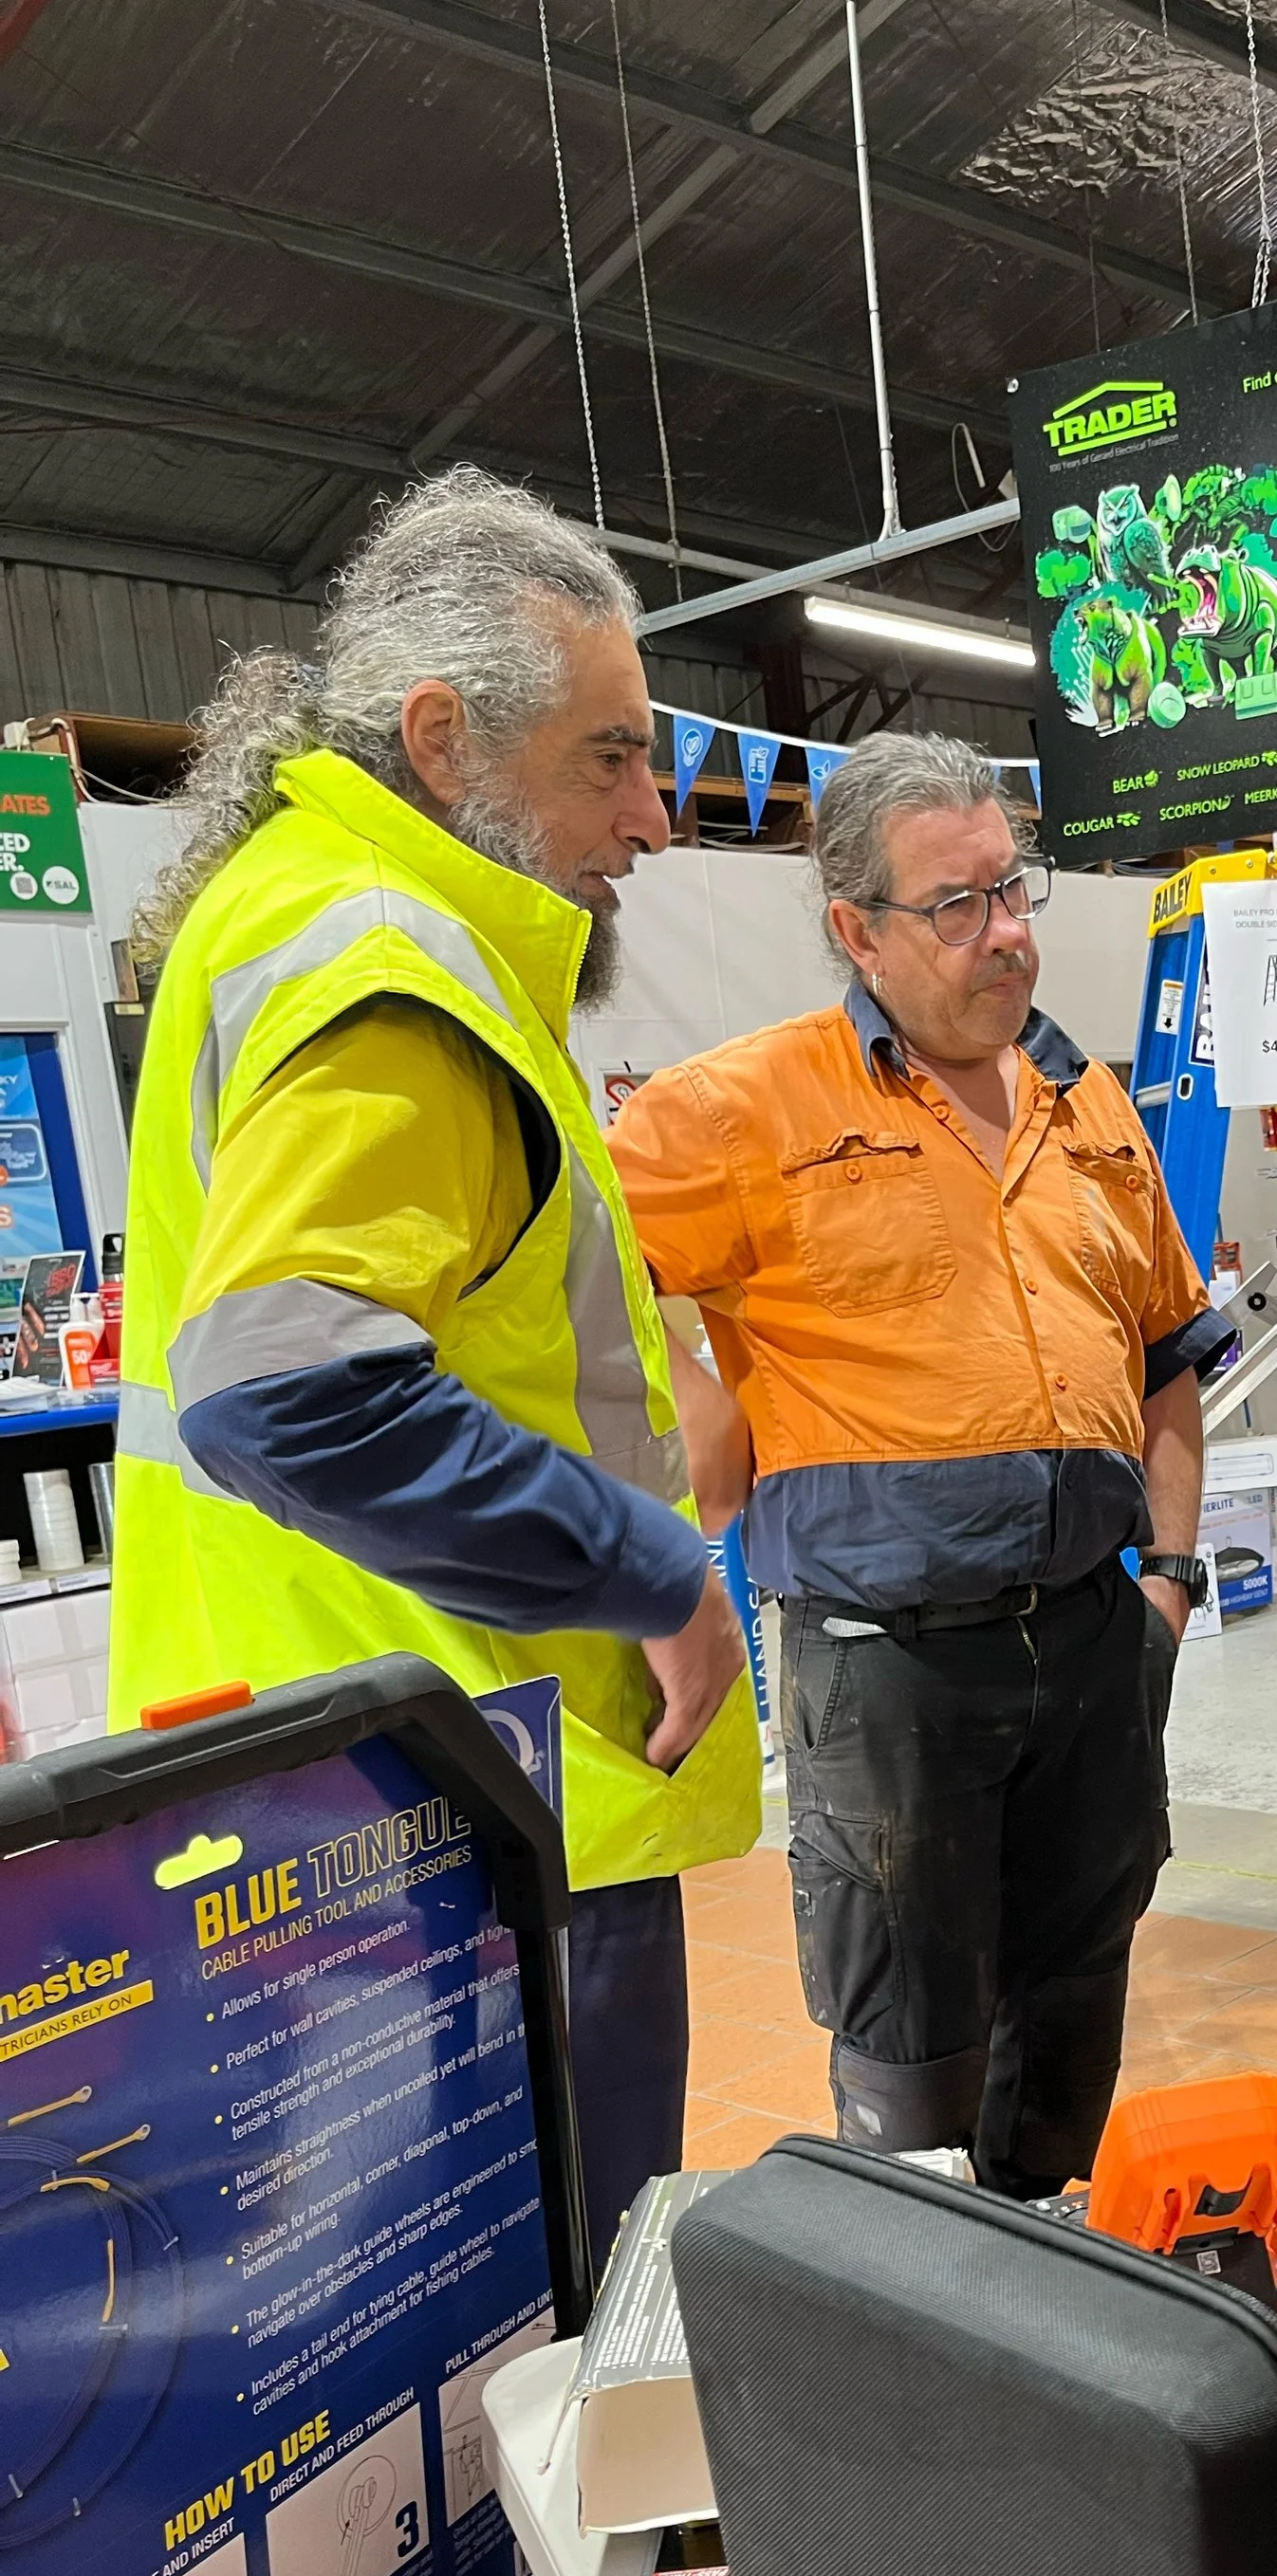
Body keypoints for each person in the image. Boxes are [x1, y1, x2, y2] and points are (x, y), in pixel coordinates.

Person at [113, 468, 762, 2255]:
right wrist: (651, 1569)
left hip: (323, 1761)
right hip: (464, 1793)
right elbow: (283, 1385)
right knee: (547, 2345)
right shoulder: (396, 970)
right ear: (440, 738)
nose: (651, 815)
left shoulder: (296, 915)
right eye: (609, 759)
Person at [608, 732, 1231, 2196]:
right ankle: (926, 2360)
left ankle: (1060, 2308)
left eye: (1016, 891)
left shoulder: (1092, 1105)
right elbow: (568, 1295)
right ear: (855, 931)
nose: (1007, 934)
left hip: (1096, 1641)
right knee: (914, 2065)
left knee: (1074, 2015)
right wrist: (692, 1414)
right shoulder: (739, 1109)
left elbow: (1168, 1361)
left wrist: (1173, 1586)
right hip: (886, 1674)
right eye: (958, 907)